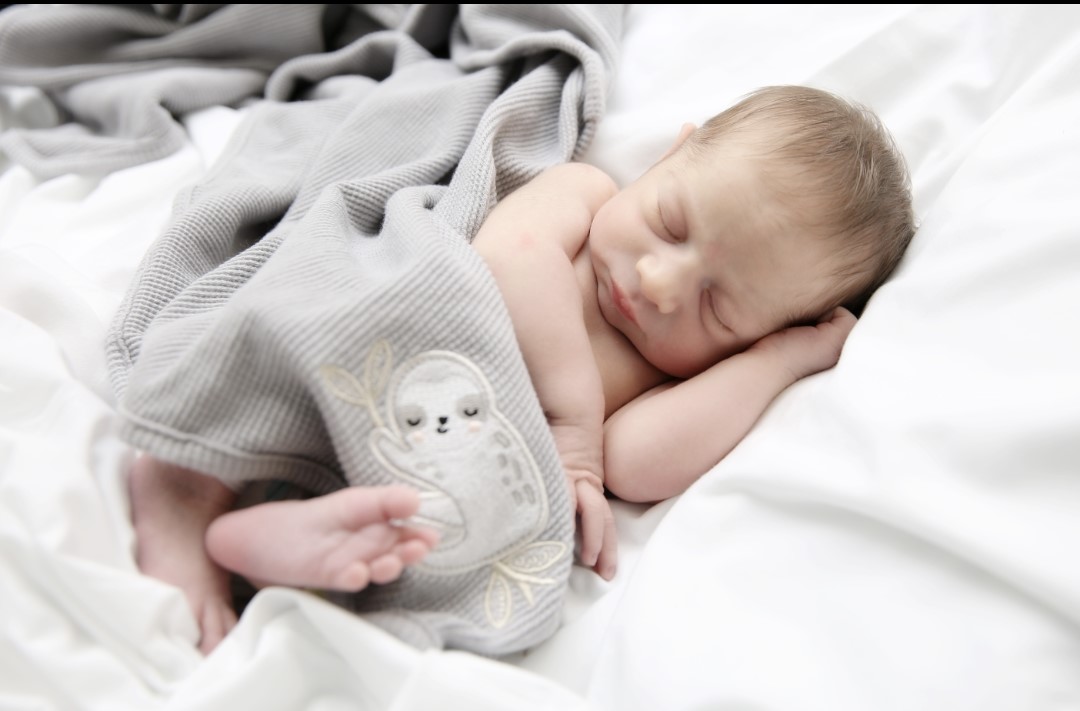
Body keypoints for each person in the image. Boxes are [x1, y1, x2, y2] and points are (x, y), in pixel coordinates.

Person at [129, 84, 915, 654]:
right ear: (674, 152)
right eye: (671, 222)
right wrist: (573, 419)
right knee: (313, 320)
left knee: (469, 532)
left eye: (721, 308)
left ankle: (283, 547)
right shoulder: (583, 193)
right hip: (397, 338)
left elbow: (636, 464)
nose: (658, 284)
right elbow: (508, 256)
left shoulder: (672, 377)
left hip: (435, 462)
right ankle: (184, 484)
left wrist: (780, 361)